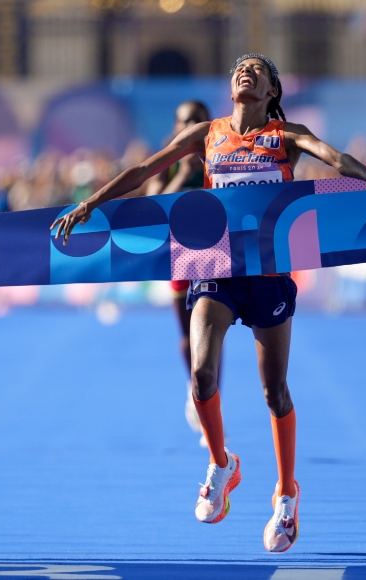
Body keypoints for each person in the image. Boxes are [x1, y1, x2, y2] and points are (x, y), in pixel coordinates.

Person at [53, 54, 366, 553]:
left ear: (272, 91)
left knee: (274, 392)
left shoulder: (286, 135)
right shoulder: (207, 133)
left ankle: (286, 493)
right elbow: (143, 169)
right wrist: (92, 203)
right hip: (215, 269)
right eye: (240, 68)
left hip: (267, 274)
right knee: (202, 376)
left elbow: (332, 157)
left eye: (257, 69)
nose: (246, 71)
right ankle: (221, 464)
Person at [144, 100, 217, 447]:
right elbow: (152, 207)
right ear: (175, 127)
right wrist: (183, 176)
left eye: (197, 121)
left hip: (213, 254)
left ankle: (211, 402)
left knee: (211, 336)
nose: (190, 127)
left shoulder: (220, 154)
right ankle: (194, 387)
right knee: (189, 335)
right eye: (184, 122)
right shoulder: (167, 160)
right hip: (178, 256)